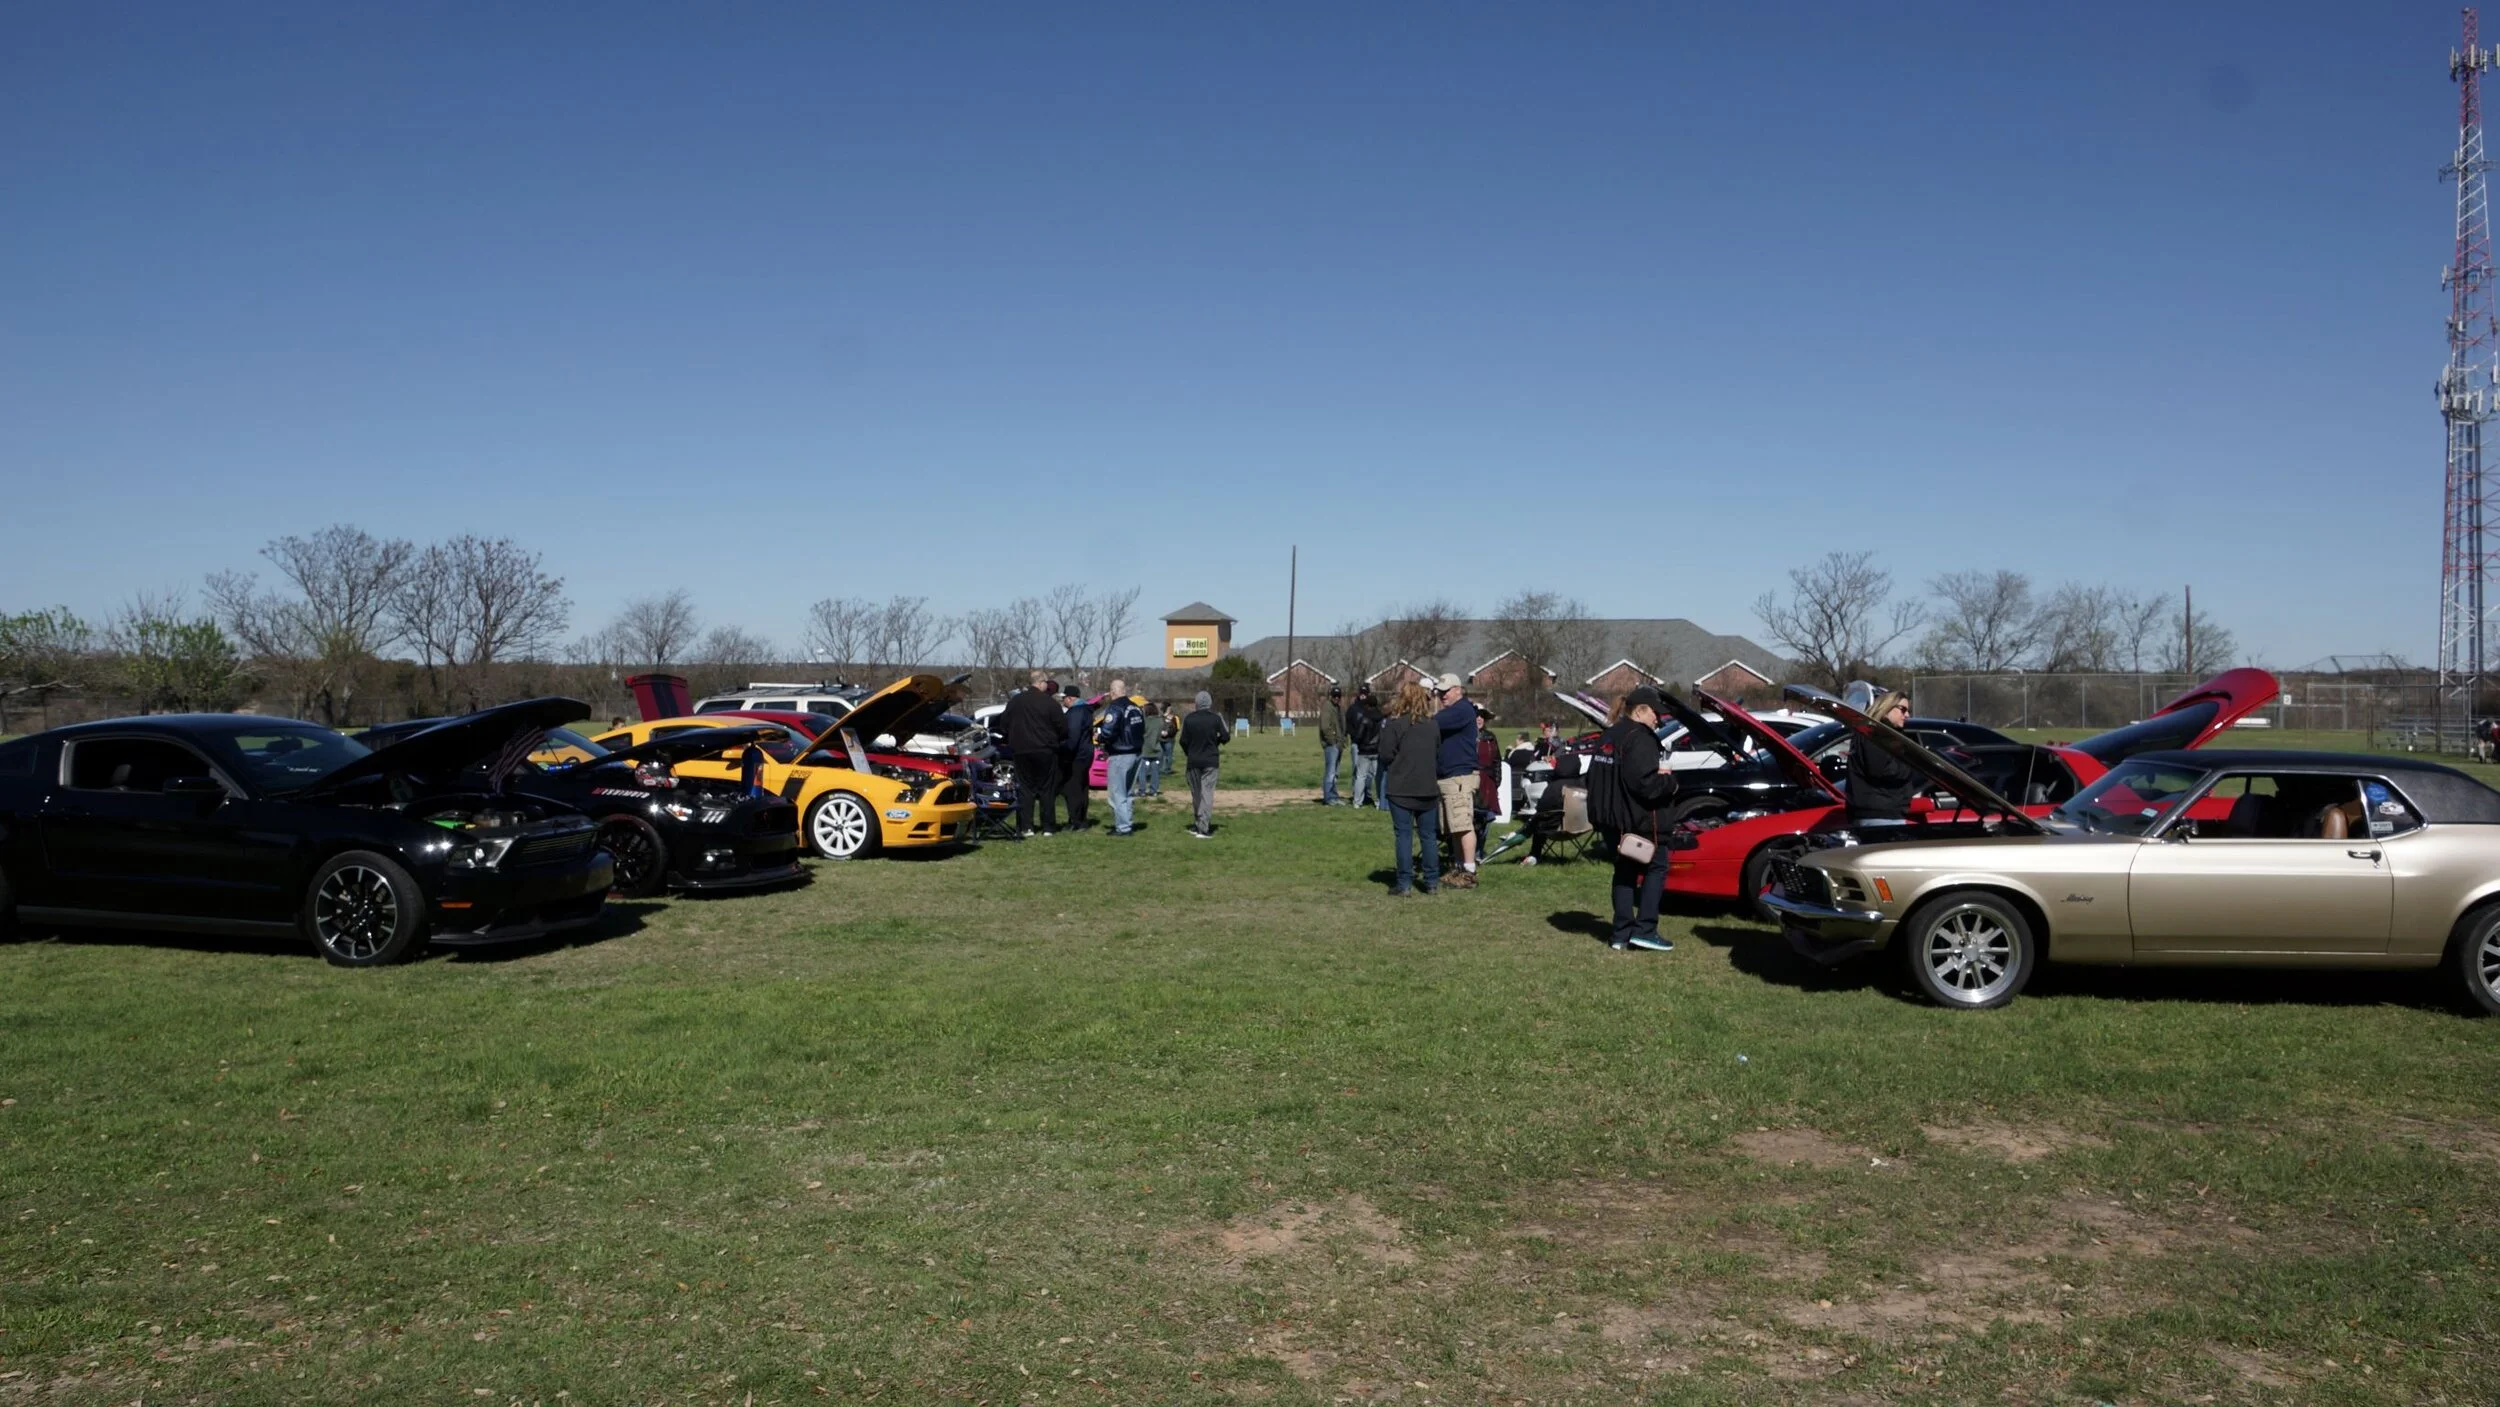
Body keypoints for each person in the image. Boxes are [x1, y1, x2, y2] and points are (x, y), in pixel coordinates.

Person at [1586, 685, 1681, 951]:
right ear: (1639, 711)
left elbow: (1595, 778)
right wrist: (1670, 783)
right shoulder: (1639, 737)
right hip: (1638, 821)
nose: (1657, 719)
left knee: (1625, 871)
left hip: (1610, 819)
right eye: (1654, 713)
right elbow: (1644, 784)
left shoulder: (1610, 734)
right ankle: (1645, 929)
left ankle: (1621, 934)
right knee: (1657, 867)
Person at [1376, 682, 1442, 894]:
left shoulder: (1395, 724)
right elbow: (1437, 752)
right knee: (1428, 836)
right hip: (1427, 786)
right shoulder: (1432, 725)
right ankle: (1431, 881)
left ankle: (1404, 883)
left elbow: (1385, 754)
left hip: (1401, 787)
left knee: (1404, 835)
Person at [1431, 675, 1487, 888]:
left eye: (1446, 691)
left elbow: (1434, 722)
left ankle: (1469, 870)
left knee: (1463, 824)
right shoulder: (1454, 711)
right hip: (1449, 777)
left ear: (1458, 690)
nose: (1442, 695)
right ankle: (1458, 866)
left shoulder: (1462, 709)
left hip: (1459, 776)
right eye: (1440, 691)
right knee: (1454, 826)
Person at [999, 673, 1067, 836]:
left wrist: (1011, 737)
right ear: (1041, 683)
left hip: (1021, 750)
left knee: (1025, 789)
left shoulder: (1015, 702)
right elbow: (1063, 728)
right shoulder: (1049, 703)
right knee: (1046, 789)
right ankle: (1048, 827)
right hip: (1045, 750)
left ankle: (1027, 826)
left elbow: (1003, 724)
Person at [1849, 690, 1920, 828]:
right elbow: (1880, 770)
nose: (1907, 715)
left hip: (1876, 811)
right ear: (1886, 708)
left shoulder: (1870, 732)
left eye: (1908, 711)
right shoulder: (1878, 735)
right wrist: (1911, 765)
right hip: (1881, 814)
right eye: (1902, 709)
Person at [1096, 681, 1147, 836]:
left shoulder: (1115, 707)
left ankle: (1123, 827)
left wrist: (1099, 737)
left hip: (1120, 754)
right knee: (1128, 792)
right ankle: (1126, 823)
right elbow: (1142, 728)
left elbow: (1108, 731)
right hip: (1136, 752)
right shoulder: (1135, 707)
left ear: (1113, 692)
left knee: (1117, 794)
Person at [1179, 690, 1228, 837]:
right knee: (1207, 793)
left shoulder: (1189, 719)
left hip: (1193, 760)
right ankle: (1203, 827)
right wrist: (1216, 742)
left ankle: (1198, 823)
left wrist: (1189, 752)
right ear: (1210, 703)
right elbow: (1226, 736)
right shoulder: (1216, 718)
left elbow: (1183, 741)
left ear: (1197, 703)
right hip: (1211, 760)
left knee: (1196, 794)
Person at [1060, 686, 1098, 831]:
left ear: (1070, 698)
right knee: (1082, 787)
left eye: (1064, 698)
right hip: (1086, 752)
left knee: (1072, 788)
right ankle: (1082, 819)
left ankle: (1075, 821)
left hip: (1076, 755)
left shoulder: (1076, 712)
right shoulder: (1087, 710)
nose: (1063, 701)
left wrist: (1065, 750)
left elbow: (1073, 736)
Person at [1345, 684, 1385, 809]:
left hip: (1364, 751)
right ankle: (1379, 801)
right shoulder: (1382, 718)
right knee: (1377, 777)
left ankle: (1357, 801)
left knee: (1360, 776)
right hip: (1377, 751)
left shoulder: (1365, 718)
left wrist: (1357, 741)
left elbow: (1360, 734)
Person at [1314, 684, 1348, 805]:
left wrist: (1343, 740)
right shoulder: (1327, 707)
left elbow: (1342, 725)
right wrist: (1332, 741)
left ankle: (1334, 795)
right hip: (1331, 745)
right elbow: (1325, 726)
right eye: (1334, 696)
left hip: (1339, 744)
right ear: (1331, 696)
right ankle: (1328, 797)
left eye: (1338, 696)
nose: (1337, 698)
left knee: (1336, 773)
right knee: (1330, 772)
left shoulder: (1339, 708)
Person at [1134, 701, 1166, 797]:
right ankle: (1154, 790)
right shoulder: (1160, 721)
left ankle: (1142, 790)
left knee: (1142, 771)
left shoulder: (1144, 721)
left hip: (1145, 749)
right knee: (1155, 772)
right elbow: (1161, 735)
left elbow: (1139, 733)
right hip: (1157, 749)